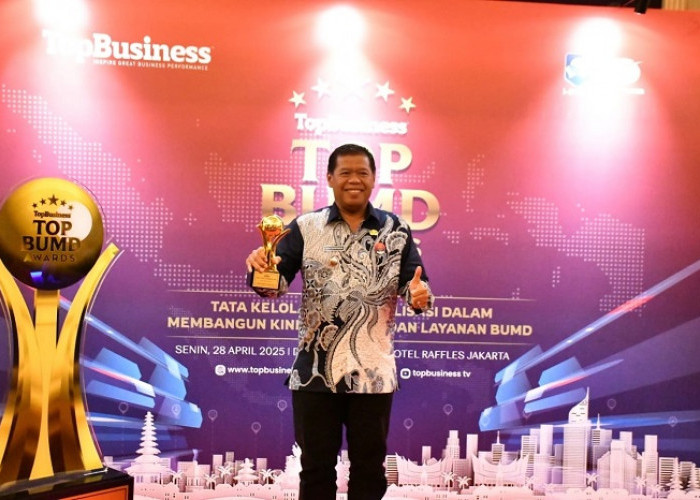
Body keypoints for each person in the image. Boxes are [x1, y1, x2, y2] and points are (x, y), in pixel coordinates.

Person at [245, 143, 434, 500]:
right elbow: (274, 286)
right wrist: (261, 269)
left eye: (362, 173)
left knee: (369, 471)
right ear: (330, 178)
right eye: (345, 172)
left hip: (372, 374)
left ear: (374, 179)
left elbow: (415, 285)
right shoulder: (305, 227)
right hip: (314, 374)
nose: (354, 180)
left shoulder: (396, 229)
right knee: (315, 471)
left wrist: (418, 295)